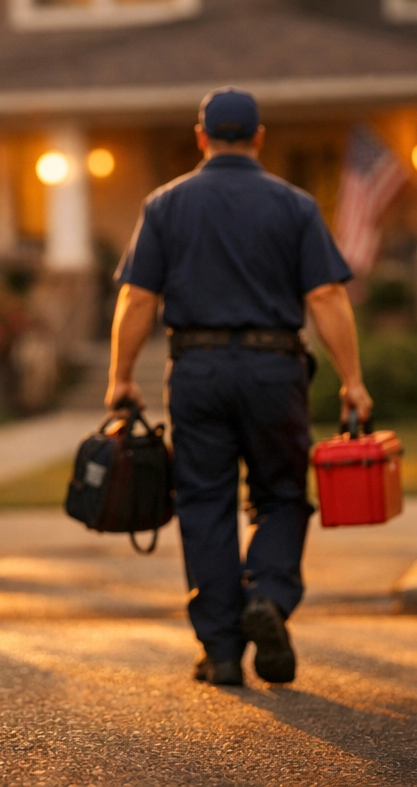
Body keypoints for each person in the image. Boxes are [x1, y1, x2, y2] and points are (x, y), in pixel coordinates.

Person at [106, 87, 373, 687]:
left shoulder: (165, 205)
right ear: (259, 137)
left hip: (196, 372)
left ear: (201, 137)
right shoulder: (295, 206)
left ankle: (222, 651)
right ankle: (270, 598)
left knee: (205, 503)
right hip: (274, 369)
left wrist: (121, 377)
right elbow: (327, 295)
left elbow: (139, 297)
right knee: (281, 494)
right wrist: (352, 381)